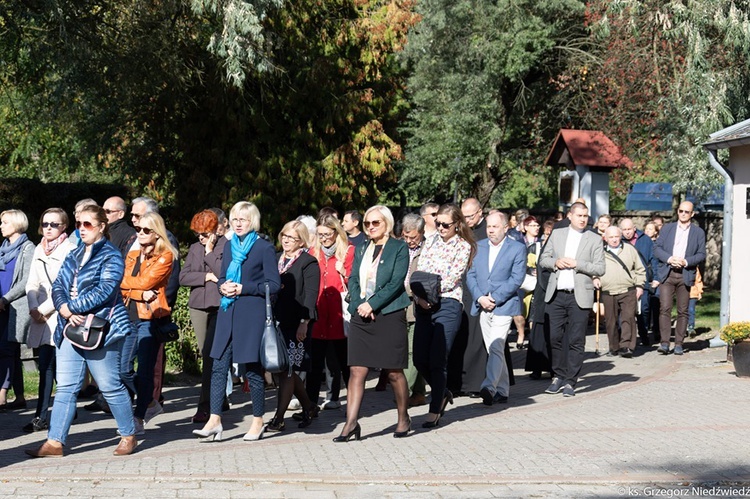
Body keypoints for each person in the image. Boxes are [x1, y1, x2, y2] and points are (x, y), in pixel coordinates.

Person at [25, 205, 137, 457]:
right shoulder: (74, 253)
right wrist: (64, 309)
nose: (82, 229)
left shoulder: (111, 255)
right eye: (78, 224)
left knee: (109, 385)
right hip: (69, 329)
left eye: (87, 224)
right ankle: (54, 442)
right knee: (65, 386)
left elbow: (105, 290)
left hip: (101, 329)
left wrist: (71, 307)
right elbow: (59, 285)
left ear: (101, 227)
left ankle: (128, 434)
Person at [193, 202, 280, 442]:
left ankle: (258, 420)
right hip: (227, 311)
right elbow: (223, 276)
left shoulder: (264, 248)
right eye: (234, 219)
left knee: (251, 370)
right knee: (218, 364)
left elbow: (273, 285)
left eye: (243, 219)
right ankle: (215, 420)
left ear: (253, 222)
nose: (238, 224)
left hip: (251, 315)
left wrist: (244, 288)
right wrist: (223, 285)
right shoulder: (230, 246)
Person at [334, 205, 411, 441]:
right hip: (362, 314)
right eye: (367, 223)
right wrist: (359, 304)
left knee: (394, 372)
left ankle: (403, 417)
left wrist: (373, 304)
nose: (370, 227)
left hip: (388, 314)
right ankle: (350, 424)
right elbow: (353, 278)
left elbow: (396, 283)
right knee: (357, 369)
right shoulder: (361, 248)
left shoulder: (399, 248)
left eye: (375, 223)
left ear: (386, 223)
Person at [413, 204, 475, 428]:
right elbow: (421, 271)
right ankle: (443, 390)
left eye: (445, 224)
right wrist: (420, 295)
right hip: (423, 302)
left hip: (448, 303)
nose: (440, 228)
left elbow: (452, 277)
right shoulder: (430, 242)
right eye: (437, 223)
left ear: (457, 224)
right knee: (419, 358)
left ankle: (435, 405)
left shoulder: (463, 246)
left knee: (438, 358)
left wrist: (431, 290)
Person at [538, 202, 605, 397]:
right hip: (557, 294)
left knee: (576, 339)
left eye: (585, 216)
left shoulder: (594, 239)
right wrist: (556, 262)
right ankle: (558, 375)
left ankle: (570, 380)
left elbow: (600, 268)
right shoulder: (557, 235)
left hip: (580, 296)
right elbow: (544, 260)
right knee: (554, 337)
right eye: (579, 215)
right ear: (570, 216)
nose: (583, 219)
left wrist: (578, 264)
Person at [120, 212, 178, 434]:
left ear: (157, 233)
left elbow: (147, 283)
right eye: (138, 229)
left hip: (150, 319)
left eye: (146, 230)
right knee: (123, 370)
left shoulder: (166, 256)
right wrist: (138, 292)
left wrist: (133, 289)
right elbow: (120, 282)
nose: (141, 233)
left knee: (144, 371)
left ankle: (139, 416)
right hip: (129, 315)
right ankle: (152, 402)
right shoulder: (133, 254)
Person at [23, 208, 75, 432]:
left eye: (54, 224)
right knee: (45, 367)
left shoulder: (70, 249)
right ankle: (41, 416)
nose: (49, 229)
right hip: (41, 317)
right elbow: (31, 283)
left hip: (58, 315)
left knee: (63, 371)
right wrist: (33, 307)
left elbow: (65, 286)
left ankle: (66, 413)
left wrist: (43, 310)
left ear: (64, 226)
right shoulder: (38, 248)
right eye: (45, 224)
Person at [466, 212, 526, 405]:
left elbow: (516, 278)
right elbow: (470, 275)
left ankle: (489, 386)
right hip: (482, 305)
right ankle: (503, 390)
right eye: (489, 227)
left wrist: (495, 297)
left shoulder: (517, 248)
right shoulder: (478, 246)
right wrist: (480, 297)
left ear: (506, 227)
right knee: (494, 350)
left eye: (495, 227)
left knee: (496, 345)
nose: (490, 230)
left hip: (504, 305)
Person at [267, 221, 320, 432]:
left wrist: (304, 323)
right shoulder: (277, 259)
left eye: (292, 238)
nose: (287, 241)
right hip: (277, 322)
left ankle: (279, 418)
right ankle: (309, 406)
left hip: (297, 322)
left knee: (288, 370)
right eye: (284, 236)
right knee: (283, 369)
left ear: (302, 241)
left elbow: (310, 295)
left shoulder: (309, 262)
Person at [179, 210, 227, 424]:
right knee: (204, 353)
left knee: (211, 355)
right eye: (198, 234)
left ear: (217, 229)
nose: (201, 238)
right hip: (198, 305)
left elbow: (224, 273)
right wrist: (206, 276)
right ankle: (219, 396)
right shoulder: (194, 248)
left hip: (220, 305)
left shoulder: (227, 246)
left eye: (205, 233)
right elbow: (183, 276)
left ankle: (205, 405)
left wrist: (209, 252)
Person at [306, 214, 354, 412]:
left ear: (336, 232)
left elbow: (357, 283)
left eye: (327, 234)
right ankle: (310, 406)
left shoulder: (349, 252)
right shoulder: (313, 252)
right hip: (318, 315)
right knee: (314, 365)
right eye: (320, 234)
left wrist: (344, 272)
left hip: (339, 315)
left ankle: (353, 404)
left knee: (343, 363)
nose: (323, 238)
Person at [653, 201, 706, 355]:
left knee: (683, 310)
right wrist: (670, 258)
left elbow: (702, 254)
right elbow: (657, 248)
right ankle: (664, 343)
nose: (683, 214)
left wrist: (686, 261)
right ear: (677, 211)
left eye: (687, 212)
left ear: (692, 214)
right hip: (668, 273)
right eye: (681, 211)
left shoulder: (698, 233)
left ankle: (678, 343)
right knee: (665, 308)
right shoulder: (668, 228)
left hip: (686, 273)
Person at [0, 209, 35, 411]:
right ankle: (20, 396)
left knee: (6, 349)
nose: (1, 226)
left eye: (4, 222)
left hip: (14, 305)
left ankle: (2, 394)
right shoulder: (3, 248)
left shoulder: (27, 248)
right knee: (11, 353)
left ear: (16, 224)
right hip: (2, 306)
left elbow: (26, 281)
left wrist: (5, 298)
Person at [594, 226, 646, 358]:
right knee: (611, 321)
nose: (614, 240)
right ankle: (613, 347)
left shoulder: (629, 249)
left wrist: (640, 285)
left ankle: (626, 346)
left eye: (616, 236)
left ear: (620, 236)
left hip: (627, 289)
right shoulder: (599, 251)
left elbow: (640, 269)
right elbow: (593, 269)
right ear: (605, 238)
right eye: (611, 237)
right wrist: (594, 278)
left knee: (628, 318)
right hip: (607, 290)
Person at [400, 213, 427, 407]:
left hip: (418, 306)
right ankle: (418, 392)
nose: (409, 241)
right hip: (399, 305)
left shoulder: (428, 250)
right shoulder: (399, 248)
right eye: (406, 236)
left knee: (412, 351)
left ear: (422, 233)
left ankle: (404, 392)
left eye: (413, 238)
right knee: (406, 351)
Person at [619, 218, 658, 347]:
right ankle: (625, 337)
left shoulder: (645, 240)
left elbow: (653, 259)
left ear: (634, 228)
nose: (627, 233)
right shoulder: (618, 241)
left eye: (629, 229)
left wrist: (656, 277)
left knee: (644, 309)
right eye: (624, 230)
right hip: (625, 281)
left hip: (643, 279)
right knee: (625, 310)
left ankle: (644, 332)